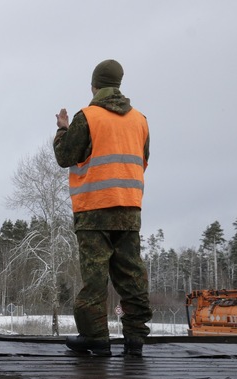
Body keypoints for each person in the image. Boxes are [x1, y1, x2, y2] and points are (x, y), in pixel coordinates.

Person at [53, 59, 152, 357]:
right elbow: (143, 160)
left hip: (94, 209)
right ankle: (135, 337)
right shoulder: (140, 120)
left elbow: (65, 155)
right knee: (131, 274)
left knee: (95, 278)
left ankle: (95, 336)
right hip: (129, 209)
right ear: (119, 84)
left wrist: (62, 130)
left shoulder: (88, 117)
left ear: (94, 85)